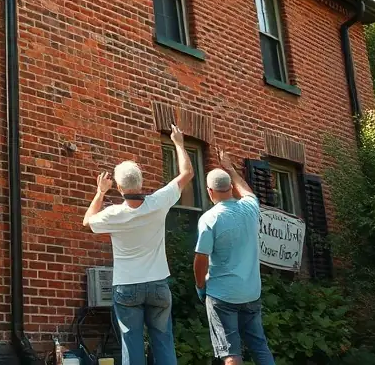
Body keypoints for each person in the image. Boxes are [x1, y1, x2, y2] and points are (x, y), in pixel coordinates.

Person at [83, 120, 194, 365]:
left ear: (120, 187)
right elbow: (187, 174)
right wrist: (178, 144)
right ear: (141, 182)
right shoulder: (158, 202)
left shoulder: (115, 214)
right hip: (158, 284)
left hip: (127, 286)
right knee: (163, 340)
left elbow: (87, 221)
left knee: (131, 344)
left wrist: (100, 192)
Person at [193, 150, 275, 365]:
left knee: (230, 351)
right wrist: (229, 167)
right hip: (251, 292)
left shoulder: (209, 218)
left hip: (222, 295)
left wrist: (201, 286)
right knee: (259, 345)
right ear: (230, 188)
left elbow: (201, 258)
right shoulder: (250, 207)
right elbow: (246, 191)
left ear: (210, 192)